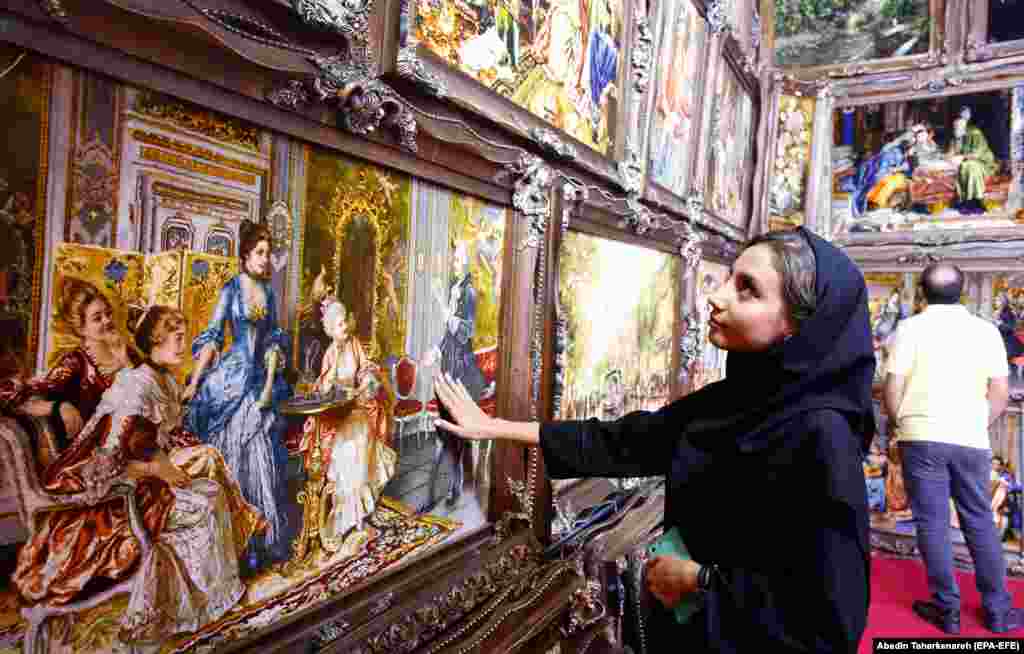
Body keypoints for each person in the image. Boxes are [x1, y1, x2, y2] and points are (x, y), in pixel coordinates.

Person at [434, 227, 873, 653]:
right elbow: (626, 440)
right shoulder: (739, 398)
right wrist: (493, 428)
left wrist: (700, 582)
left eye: (748, 290)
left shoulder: (823, 435)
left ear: (796, 326)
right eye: (728, 278)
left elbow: (829, 621)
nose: (716, 297)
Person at [13, 306, 264, 647]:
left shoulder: (162, 379)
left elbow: (155, 441)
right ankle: (191, 612)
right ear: (153, 343)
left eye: (182, 337)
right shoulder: (138, 385)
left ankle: (210, 603)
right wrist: (159, 470)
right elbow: (113, 456)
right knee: (205, 500)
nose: (182, 345)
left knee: (208, 484)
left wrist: (167, 464)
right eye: (174, 339)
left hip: (140, 480)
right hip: (108, 500)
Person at [883, 262, 1023, 634]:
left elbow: (892, 388)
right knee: (979, 520)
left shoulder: (908, 328)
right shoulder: (986, 331)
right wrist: (978, 423)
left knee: (931, 523)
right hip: (969, 438)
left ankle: (947, 611)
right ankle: (997, 610)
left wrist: (903, 424)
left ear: (922, 294)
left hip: (920, 436)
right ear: (961, 291)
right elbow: (999, 391)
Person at [183, 220, 294, 571]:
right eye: (260, 253)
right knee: (232, 457)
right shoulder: (231, 289)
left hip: (260, 377)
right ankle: (233, 545)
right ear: (246, 254)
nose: (266, 259)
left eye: (268, 253)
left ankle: (260, 543)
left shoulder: (270, 293)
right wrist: (194, 382)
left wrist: (274, 356)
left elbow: (274, 333)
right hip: (232, 378)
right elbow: (214, 336)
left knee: (261, 455)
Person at [0, 278, 138, 458]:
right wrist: (58, 406)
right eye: (97, 318)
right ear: (81, 328)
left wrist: (125, 361)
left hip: (136, 435)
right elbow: (21, 395)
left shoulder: (127, 352)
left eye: (108, 314)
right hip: (96, 452)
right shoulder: (75, 362)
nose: (107, 321)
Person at [300, 296, 397, 542]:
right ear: (331, 330)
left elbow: (367, 369)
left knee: (361, 449)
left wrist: (365, 382)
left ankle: (360, 517)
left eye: (345, 322)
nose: (345, 327)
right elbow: (323, 389)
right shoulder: (329, 354)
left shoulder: (355, 344)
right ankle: (346, 519)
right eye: (340, 325)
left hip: (357, 411)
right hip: (338, 416)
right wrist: (334, 363)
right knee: (347, 454)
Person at [946, 107, 997, 215]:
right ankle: (963, 201)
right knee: (962, 167)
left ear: (964, 126)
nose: (956, 129)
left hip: (983, 162)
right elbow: (950, 152)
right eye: (954, 127)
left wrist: (962, 157)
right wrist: (950, 157)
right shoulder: (956, 137)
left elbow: (977, 153)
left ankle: (975, 202)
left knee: (970, 166)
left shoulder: (975, 132)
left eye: (958, 126)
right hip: (965, 162)